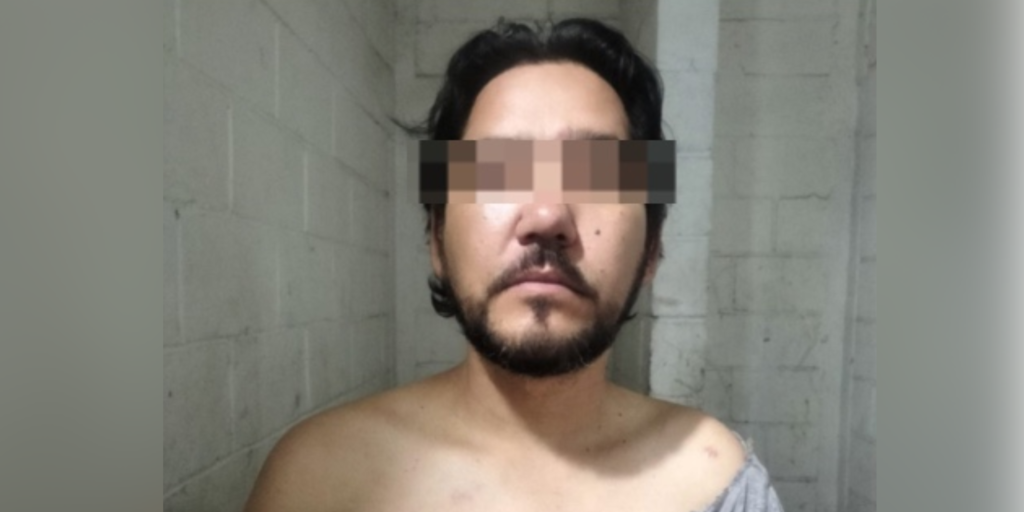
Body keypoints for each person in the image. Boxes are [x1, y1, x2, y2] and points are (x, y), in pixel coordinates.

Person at [244, 18, 783, 512]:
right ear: (436, 238)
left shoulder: (716, 483)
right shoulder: (316, 481)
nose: (547, 216)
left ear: (652, 247)